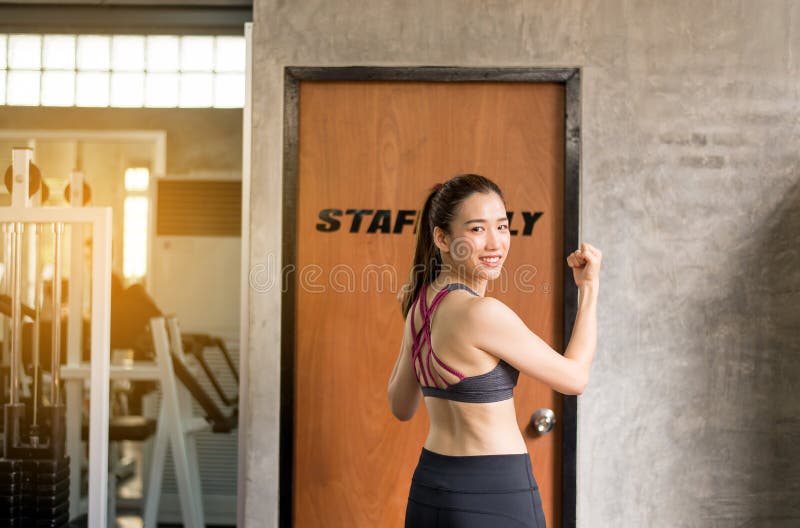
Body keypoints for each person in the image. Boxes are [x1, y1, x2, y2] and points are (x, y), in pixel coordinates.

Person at [387, 174, 601, 528]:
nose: (495, 243)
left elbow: (401, 406)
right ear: (442, 237)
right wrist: (590, 291)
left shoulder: (420, 304)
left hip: (430, 490)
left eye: (502, 227)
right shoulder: (482, 314)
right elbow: (574, 379)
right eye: (476, 229)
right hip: (494, 495)